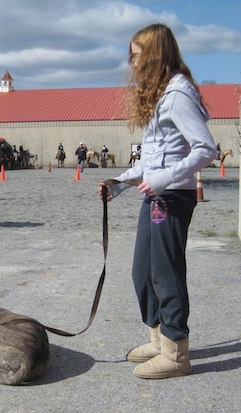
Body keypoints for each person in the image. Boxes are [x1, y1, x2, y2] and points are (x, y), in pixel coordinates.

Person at [98, 23, 217, 379]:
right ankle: (158, 339)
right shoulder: (162, 94)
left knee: (166, 274)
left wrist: (163, 180)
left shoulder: (178, 95)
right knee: (143, 272)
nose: (132, 64)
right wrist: (118, 183)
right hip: (156, 196)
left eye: (137, 56)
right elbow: (153, 159)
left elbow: (206, 149)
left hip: (172, 197)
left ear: (154, 54)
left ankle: (176, 354)